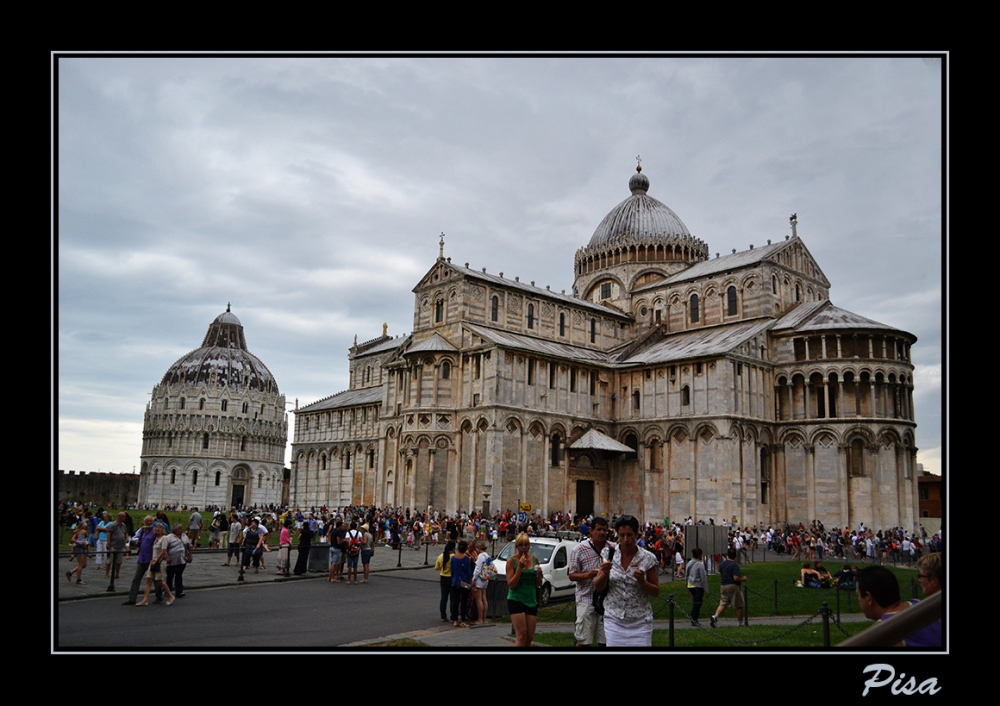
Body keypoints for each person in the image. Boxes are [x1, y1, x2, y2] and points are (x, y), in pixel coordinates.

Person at [593, 515, 659, 646]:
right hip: (614, 619)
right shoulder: (608, 554)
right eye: (622, 535)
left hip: (640, 621)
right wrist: (604, 573)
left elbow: (656, 591)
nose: (626, 540)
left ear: (637, 535)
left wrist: (643, 582)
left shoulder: (647, 558)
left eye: (629, 535)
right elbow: (598, 587)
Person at [856, 565, 941, 647]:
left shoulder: (881, 631)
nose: (858, 600)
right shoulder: (918, 604)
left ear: (868, 598)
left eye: (858, 595)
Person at [568, 516, 613, 646]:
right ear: (591, 531)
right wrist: (588, 575)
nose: (602, 533)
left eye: (604, 530)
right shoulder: (579, 549)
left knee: (605, 641)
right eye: (598, 529)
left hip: (606, 599)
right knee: (583, 640)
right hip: (585, 598)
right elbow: (572, 575)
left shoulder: (612, 548)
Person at [505, 533, 542, 646]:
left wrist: (539, 575)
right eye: (521, 545)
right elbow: (511, 584)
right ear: (517, 546)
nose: (524, 548)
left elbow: (538, 583)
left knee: (529, 636)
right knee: (521, 634)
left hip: (531, 600)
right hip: (516, 599)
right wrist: (520, 568)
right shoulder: (511, 561)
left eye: (526, 545)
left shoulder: (534, 559)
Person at [124, 516, 161, 605]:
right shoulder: (143, 531)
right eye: (147, 521)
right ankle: (132, 599)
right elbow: (134, 539)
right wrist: (137, 542)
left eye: (150, 521)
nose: (148, 522)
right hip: (142, 558)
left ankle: (159, 597)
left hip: (151, 559)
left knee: (156, 580)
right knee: (136, 579)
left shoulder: (154, 531)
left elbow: (160, 540)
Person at [138, 523, 175, 606]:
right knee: (148, 580)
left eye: (160, 528)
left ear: (163, 530)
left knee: (159, 581)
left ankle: (170, 595)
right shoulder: (156, 538)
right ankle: (145, 599)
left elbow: (163, 550)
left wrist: (156, 560)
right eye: (157, 528)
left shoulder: (164, 538)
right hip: (153, 561)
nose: (158, 529)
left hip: (159, 562)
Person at [710, 548, 748, 627]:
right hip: (733, 586)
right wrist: (743, 579)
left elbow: (720, 570)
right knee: (739, 605)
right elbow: (736, 578)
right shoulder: (734, 565)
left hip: (723, 585)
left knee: (724, 603)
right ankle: (740, 623)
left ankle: (715, 616)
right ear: (736, 556)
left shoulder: (723, 563)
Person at [164, 523, 192, 598]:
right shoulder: (169, 537)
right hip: (172, 560)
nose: (181, 530)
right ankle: (168, 590)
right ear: (175, 530)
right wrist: (167, 557)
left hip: (182, 559)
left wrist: (190, 555)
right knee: (170, 576)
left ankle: (179, 591)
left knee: (179, 575)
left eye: (181, 528)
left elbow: (189, 546)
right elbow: (164, 548)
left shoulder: (184, 536)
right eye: (179, 528)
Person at [451, 540, 473, 628]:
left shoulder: (453, 558)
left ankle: (455, 620)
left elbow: (452, 571)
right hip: (464, 582)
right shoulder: (466, 558)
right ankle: (462, 620)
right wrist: (471, 583)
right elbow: (469, 572)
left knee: (455, 601)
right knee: (463, 602)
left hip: (455, 581)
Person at [685, 547, 709, 626]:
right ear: (700, 555)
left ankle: (693, 617)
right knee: (698, 603)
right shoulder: (700, 564)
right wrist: (706, 590)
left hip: (690, 584)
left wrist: (687, 585)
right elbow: (703, 578)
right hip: (698, 585)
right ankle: (694, 619)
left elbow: (686, 575)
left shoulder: (689, 563)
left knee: (695, 602)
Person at [471, 539, 492, 624]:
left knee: (478, 599)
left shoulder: (480, 556)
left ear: (478, 548)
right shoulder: (487, 555)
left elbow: (478, 569)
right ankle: (484, 618)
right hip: (486, 577)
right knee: (484, 598)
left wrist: (474, 579)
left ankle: (480, 619)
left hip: (480, 579)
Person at [104, 511, 130, 580]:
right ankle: (107, 574)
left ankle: (117, 574)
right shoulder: (113, 525)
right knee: (109, 560)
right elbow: (109, 533)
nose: (125, 518)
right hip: (113, 545)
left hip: (120, 546)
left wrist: (126, 537)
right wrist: (108, 542)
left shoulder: (123, 525)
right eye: (124, 517)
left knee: (119, 561)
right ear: (120, 517)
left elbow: (125, 532)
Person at [435, 540, 456, 622]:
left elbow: (437, 567)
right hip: (451, 578)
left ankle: (443, 616)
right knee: (453, 598)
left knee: (444, 598)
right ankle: (452, 616)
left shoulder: (441, 556)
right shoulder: (454, 557)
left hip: (443, 577)